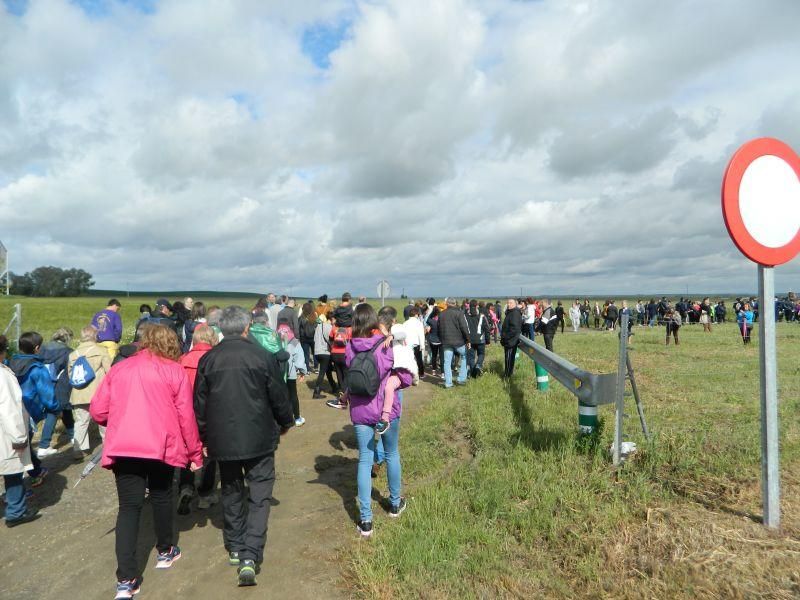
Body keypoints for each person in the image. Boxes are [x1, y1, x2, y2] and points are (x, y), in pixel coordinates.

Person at [90, 324, 203, 599]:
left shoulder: (120, 368)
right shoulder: (173, 370)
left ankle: (126, 580)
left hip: (125, 447)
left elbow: (98, 410)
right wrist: (195, 453)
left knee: (129, 508)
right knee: (163, 495)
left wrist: (120, 419)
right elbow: (186, 417)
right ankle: (165, 551)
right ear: (170, 344)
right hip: (160, 445)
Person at [194, 306, 293, 587]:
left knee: (231, 489)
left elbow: (199, 405)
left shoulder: (209, 360)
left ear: (222, 329)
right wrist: (285, 422)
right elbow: (278, 395)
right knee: (259, 495)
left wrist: (204, 437)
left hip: (222, 439)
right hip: (259, 438)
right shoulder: (261, 356)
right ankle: (250, 553)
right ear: (247, 327)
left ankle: (237, 547)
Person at [346, 304, 411, 538]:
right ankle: (394, 504)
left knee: (364, 460)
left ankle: (366, 520)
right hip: (386, 409)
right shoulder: (384, 344)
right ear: (375, 320)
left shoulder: (350, 346)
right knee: (392, 454)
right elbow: (403, 375)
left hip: (360, 411)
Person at [177, 325, 220, 514]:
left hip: (185, 412)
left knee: (187, 450)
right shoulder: (217, 360)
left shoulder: (182, 360)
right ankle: (205, 493)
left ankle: (186, 486)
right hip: (209, 413)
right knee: (209, 452)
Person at [9, 332, 59, 487]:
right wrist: (55, 408)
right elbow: (47, 393)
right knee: (22, 447)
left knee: (21, 444)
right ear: (37, 348)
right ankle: (30, 478)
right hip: (28, 412)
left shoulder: (8, 363)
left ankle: (35, 469)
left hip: (9, 410)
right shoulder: (37, 369)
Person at [0, 335, 39, 527]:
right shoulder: (3, 376)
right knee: (13, 473)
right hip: (5, 434)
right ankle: (16, 511)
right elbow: (10, 409)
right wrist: (19, 438)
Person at [68, 325, 113, 461]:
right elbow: (109, 372)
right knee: (104, 420)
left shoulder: (73, 354)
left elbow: (70, 375)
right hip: (98, 393)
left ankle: (79, 449)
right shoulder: (101, 350)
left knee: (81, 421)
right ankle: (108, 447)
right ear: (95, 335)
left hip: (79, 393)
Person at [374, 306, 415, 435]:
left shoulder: (397, 328)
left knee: (388, 388)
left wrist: (390, 336)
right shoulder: (383, 332)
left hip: (402, 373)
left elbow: (402, 332)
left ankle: (386, 418)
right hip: (394, 371)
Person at [37, 327, 75, 457]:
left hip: (42, 383)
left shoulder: (42, 349)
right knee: (53, 413)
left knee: (66, 409)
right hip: (60, 385)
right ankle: (44, 445)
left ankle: (72, 435)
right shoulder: (68, 352)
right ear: (68, 338)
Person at [276, 323, 307, 427]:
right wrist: (302, 371)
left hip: (278, 373)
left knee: (281, 395)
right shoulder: (294, 341)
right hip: (290, 373)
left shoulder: (276, 340)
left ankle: (282, 418)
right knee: (293, 395)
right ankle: (297, 417)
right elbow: (299, 358)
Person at [438, 298, 470, 388]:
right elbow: (464, 327)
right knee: (465, 356)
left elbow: (439, 328)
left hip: (446, 341)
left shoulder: (442, 314)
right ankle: (461, 379)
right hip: (459, 342)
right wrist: (468, 340)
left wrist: (441, 339)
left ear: (446, 304)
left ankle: (448, 383)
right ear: (455, 304)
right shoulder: (459, 313)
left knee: (447, 362)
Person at [326, 314, 352, 410]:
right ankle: (347, 396)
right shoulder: (349, 329)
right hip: (345, 354)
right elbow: (352, 342)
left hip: (335, 354)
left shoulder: (334, 327)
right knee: (347, 374)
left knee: (339, 374)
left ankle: (342, 394)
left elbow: (330, 340)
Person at [312, 310, 337, 399]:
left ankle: (334, 387)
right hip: (325, 352)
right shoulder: (329, 327)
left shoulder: (318, 326)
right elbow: (331, 340)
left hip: (317, 352)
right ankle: (316, 392)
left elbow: (314, 339)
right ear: (332, 319)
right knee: (322, 372)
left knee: (328, 370)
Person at [465, 300, 488, 378]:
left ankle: (473, 373)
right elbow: (486, 328)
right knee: (481, 354)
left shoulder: (465, 316)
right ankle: (478, 365)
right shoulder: (482, 316)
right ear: (477, 306)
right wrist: (488, 341)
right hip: (480, 340)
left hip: (469, 340)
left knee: (471, 357)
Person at [500, 299, 522, 379]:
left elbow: (514, 329)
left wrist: (505, 337)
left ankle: (507, 375)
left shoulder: (515, 313)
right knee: (508, 358)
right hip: (508, 340)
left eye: (510, 303)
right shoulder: (511, 312)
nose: (508, 304)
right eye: (507, 303)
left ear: (515, 304)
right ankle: (508, 373)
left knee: (509, 359)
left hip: (511, 341)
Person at [403, 306, 427, 378]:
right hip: (417, 344)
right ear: (416, 315)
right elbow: (421, 335)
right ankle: (421, 374)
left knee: (409, 360)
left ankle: (409, 374)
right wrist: (422, 345)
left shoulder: (405, 323)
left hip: (407, 344)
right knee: (419, 360)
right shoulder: (419, 323)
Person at [299, 302, 318, 373]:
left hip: (304, 338)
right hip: (313, 337)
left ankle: (307, 369)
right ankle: (316, 368)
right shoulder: (314, 316)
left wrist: (299, 337)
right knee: (314, 352)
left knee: (306, 354)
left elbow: (298, 328)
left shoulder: (301, 318)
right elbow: (317, 326)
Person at [426, 306, 442, 376]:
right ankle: (442, 372)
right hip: (441, 340)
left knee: (434, 356)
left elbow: (427, 320)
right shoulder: (441, 320)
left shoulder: (432, 321)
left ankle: (434, 370)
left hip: (433, 340)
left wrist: (432, 313)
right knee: (442, 356)